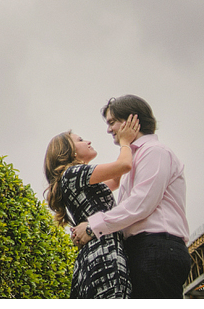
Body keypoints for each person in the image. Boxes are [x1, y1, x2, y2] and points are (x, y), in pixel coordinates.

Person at [71, 95, 191, 298]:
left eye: (111, 122)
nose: (109, 129)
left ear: (131, 121)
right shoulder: (138, 157)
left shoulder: (155, 152)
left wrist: (93, 227)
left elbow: (140, 204)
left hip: (157, 248)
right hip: (144, 250)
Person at [43, 113, 141, 298]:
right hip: (104, 255)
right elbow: (124, 165)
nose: (88, 141)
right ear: (69, 150)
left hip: (94, 255)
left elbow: (115, 180)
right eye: (80, 140)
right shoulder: (74, 172)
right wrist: (125, 142)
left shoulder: (73, 179)